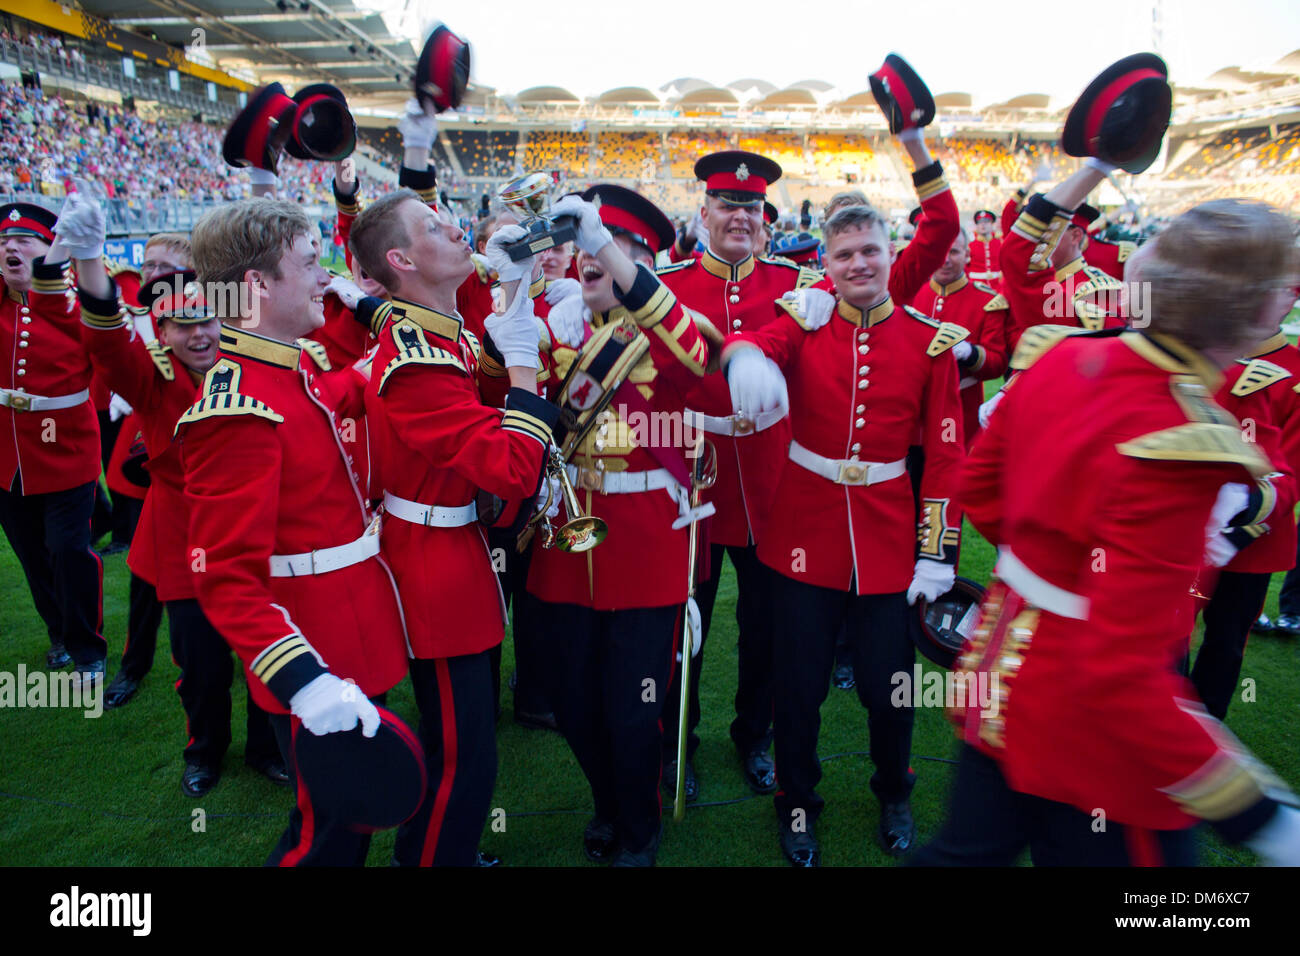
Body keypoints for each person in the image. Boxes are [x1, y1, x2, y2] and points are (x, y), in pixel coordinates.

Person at [918, 198, 1300, 866]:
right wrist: (1262, 816)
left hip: (1002, 683)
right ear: (1251, 311)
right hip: (1096, 742)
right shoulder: (1185, 443)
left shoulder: (1061, 357)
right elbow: (1122, 675)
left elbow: (982, 487)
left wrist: (1051, 564)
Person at [719, 202, 966, 866]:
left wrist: (937, 552)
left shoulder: (927, 338)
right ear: (827, 264)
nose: (858, 264)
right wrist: (742, 360)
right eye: (844, 254)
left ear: (892, 256)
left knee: (891, 686)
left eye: (869, 251)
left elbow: (946, 455)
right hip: (803, 530)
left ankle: (894, 789)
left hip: (886, 537)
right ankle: (797, 804)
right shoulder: (805, 321)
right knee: (797, 688)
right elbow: (757, 342)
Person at [178, 199, 410, 865]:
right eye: (310, 264)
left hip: (354, 626)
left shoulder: (291, 363)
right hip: (315, 652)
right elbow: (224, 579)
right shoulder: (237, 408)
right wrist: (306, 682)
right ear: (256, 288)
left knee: (350, 822)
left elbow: (332, 393)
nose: (325, 276)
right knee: (327, 839)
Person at [348, 189, 558, 867]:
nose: (455, 229)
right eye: (435, 227)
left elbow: (474, 381)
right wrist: (523, 367)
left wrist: (511, 293)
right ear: (403, 259)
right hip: (434, 561)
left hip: (449, 543)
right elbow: (510, 468)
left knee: (464, 745)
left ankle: (446, 852)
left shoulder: (439, 331)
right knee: (462, 756)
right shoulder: (417, 357)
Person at [526, 185, 714, 865]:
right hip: (567, 549)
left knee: (635, 712)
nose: (593, 258)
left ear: (643, 263)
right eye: (589, 245)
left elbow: (697, 363)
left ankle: (638, 828)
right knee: (573, 706)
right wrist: (516, 293)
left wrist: (605, 245)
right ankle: (608, 802)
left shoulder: (669, 330)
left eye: (617, 246)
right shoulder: (557, 333)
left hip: (643, 551)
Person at [0, 200, 107, 681]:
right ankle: (59, 632)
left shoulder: (70, 303)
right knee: (32, 555)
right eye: (4, 241)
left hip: (67, 451)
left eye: (24, 240)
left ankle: (88, 647)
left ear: (49, 252)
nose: (11, 248)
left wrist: (63, 250)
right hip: (8, 456)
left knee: (68, 550)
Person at [910, 229, 1009, 448]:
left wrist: (970, 353)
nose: (945, 260)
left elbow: (997, 364)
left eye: (953, 252)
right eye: (940, 252)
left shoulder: (987, 300)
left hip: (961, 412)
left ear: (966, 255)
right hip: (914, 417)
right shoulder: (913, 294)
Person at [967, 209, 1001, 284]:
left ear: (992, 224)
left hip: (997, 285)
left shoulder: (1000, 244)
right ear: (976, 225)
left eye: (986, 222)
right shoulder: (970, 246)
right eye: (980, 222)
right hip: (976, 285)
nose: (983, 225)